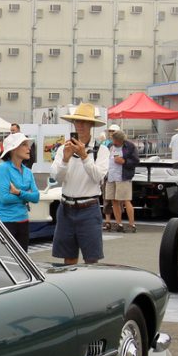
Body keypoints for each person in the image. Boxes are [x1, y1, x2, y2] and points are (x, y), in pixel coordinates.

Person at [51, 103, 108, 265]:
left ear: (91, 125)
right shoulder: (63, 149)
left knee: (91, 258)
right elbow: (56, 177)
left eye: (84, 122)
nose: (80, 125)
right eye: (77, 121)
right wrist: (65, 159)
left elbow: (98, 177)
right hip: (66, 208)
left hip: (89, 208)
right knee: (68, 257)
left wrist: (84, 156)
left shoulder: (101, 150)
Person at [0, 132, 39, 250]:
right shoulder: (3, 168)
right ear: (13, 149)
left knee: (23, 259)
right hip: (6, 222)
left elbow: (36, 197)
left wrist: (19, 192)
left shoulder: (28, 171)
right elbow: (4, 198)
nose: (29, 148)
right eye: (24, 144)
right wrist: (26, 197)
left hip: (24, 221)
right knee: (7, 258)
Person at [103, 125, 140, 232]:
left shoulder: (130, 146)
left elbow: (136, 161)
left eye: (115, 140)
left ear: (121, 140)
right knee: (113, 200)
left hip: (123, 176)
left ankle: (132, 224)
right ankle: (119, 224)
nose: (114, 142)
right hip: (111, 176)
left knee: (126, 200)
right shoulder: (110, 145)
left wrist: (124, 162)